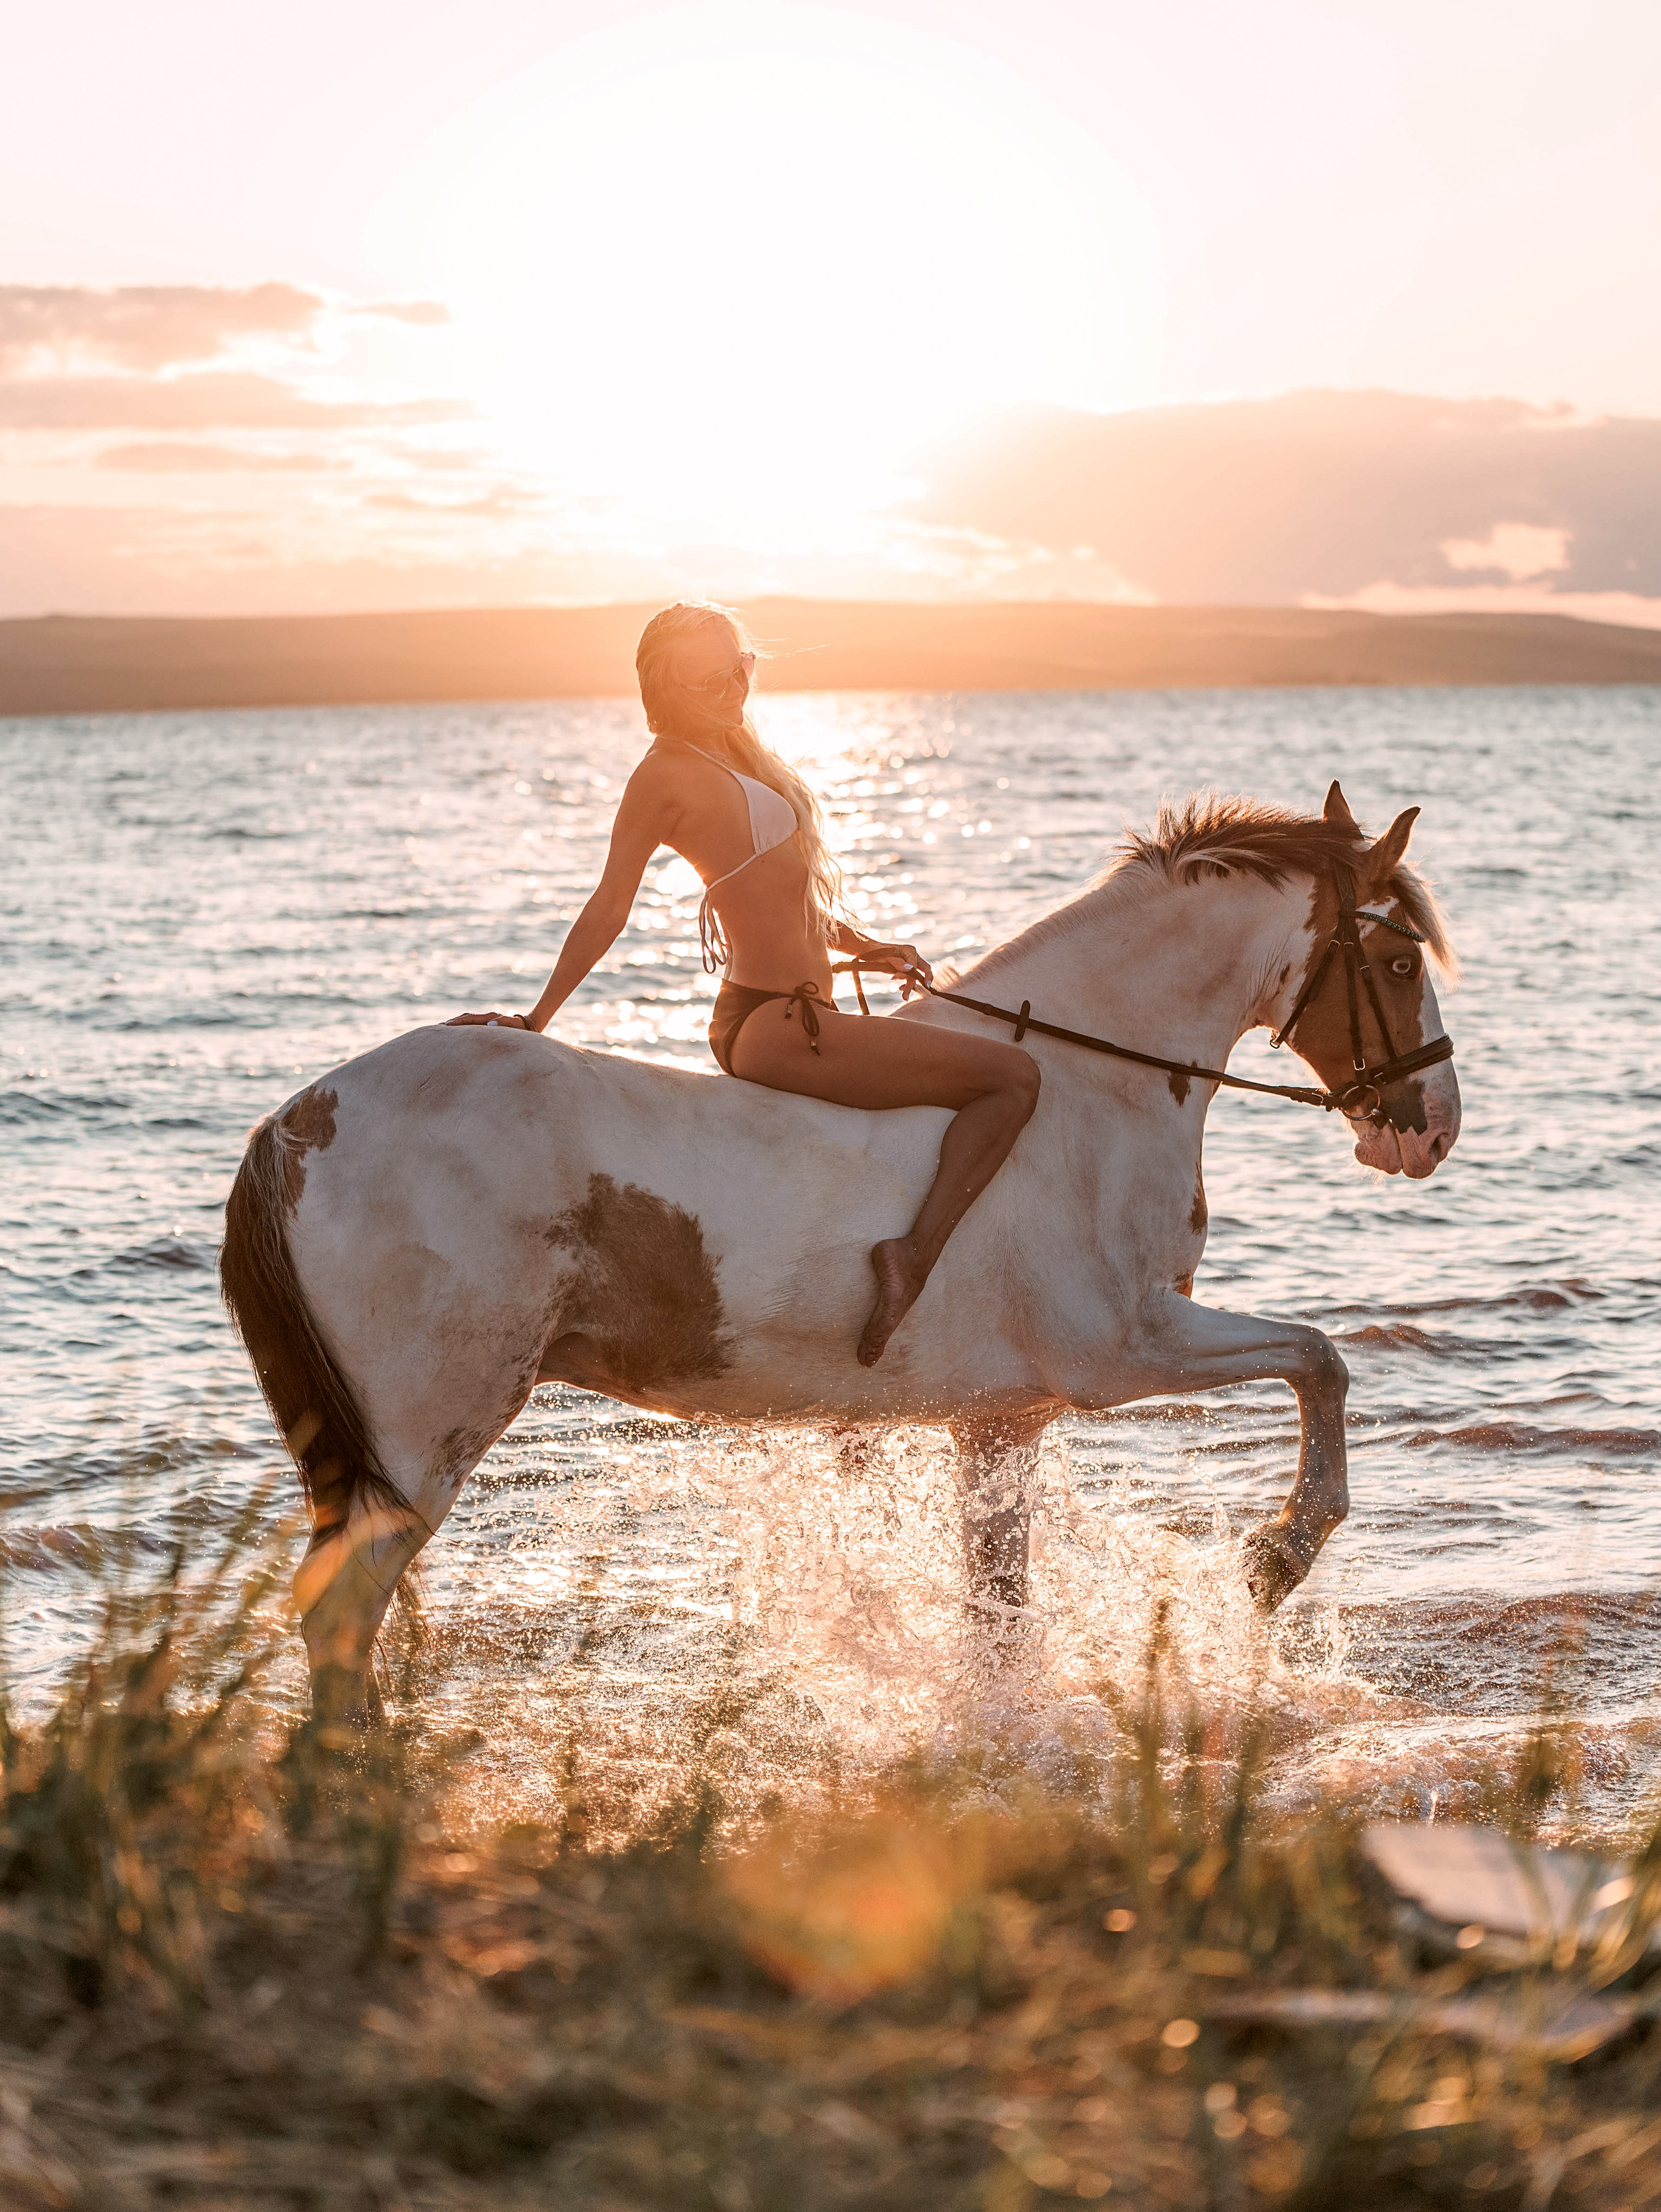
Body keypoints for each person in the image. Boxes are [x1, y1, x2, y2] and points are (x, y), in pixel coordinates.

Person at [449, 601, 1039, 1365]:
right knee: (1012, 1077)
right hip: (773, 1025)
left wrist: (867, 944)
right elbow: (609, 904)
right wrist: (537, 1018)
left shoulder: (736, 751)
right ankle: (913, 1260)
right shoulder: (663, 773)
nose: (733, 689)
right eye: (711, 679)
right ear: (668, 684)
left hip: (804, 1011)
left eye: (741, 668)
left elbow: (784, 899)